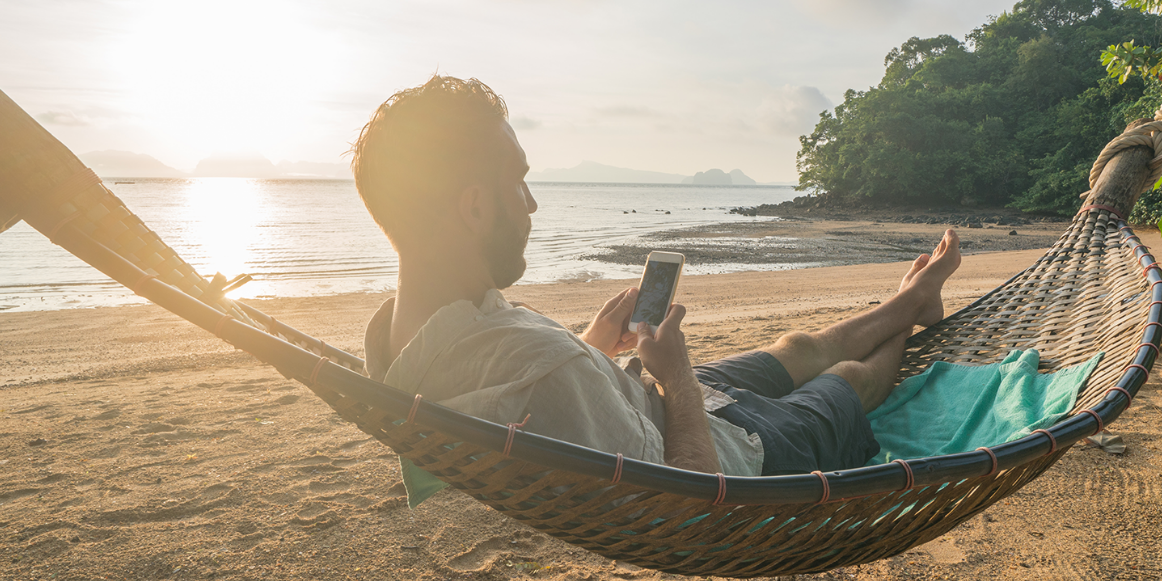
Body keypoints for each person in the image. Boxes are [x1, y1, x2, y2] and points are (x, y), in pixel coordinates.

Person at [353, 74, 962, 476]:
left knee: (798, 347)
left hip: (641, 398)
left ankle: (911, 299)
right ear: (476, 206)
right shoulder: (541, 366)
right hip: (735, 450)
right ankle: (913, 311)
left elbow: (540, 387)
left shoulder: (393, 350)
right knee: (850, 378)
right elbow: (689, 494)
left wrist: (592, 345)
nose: (532, 203)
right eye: (519, 181)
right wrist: (675, 375)